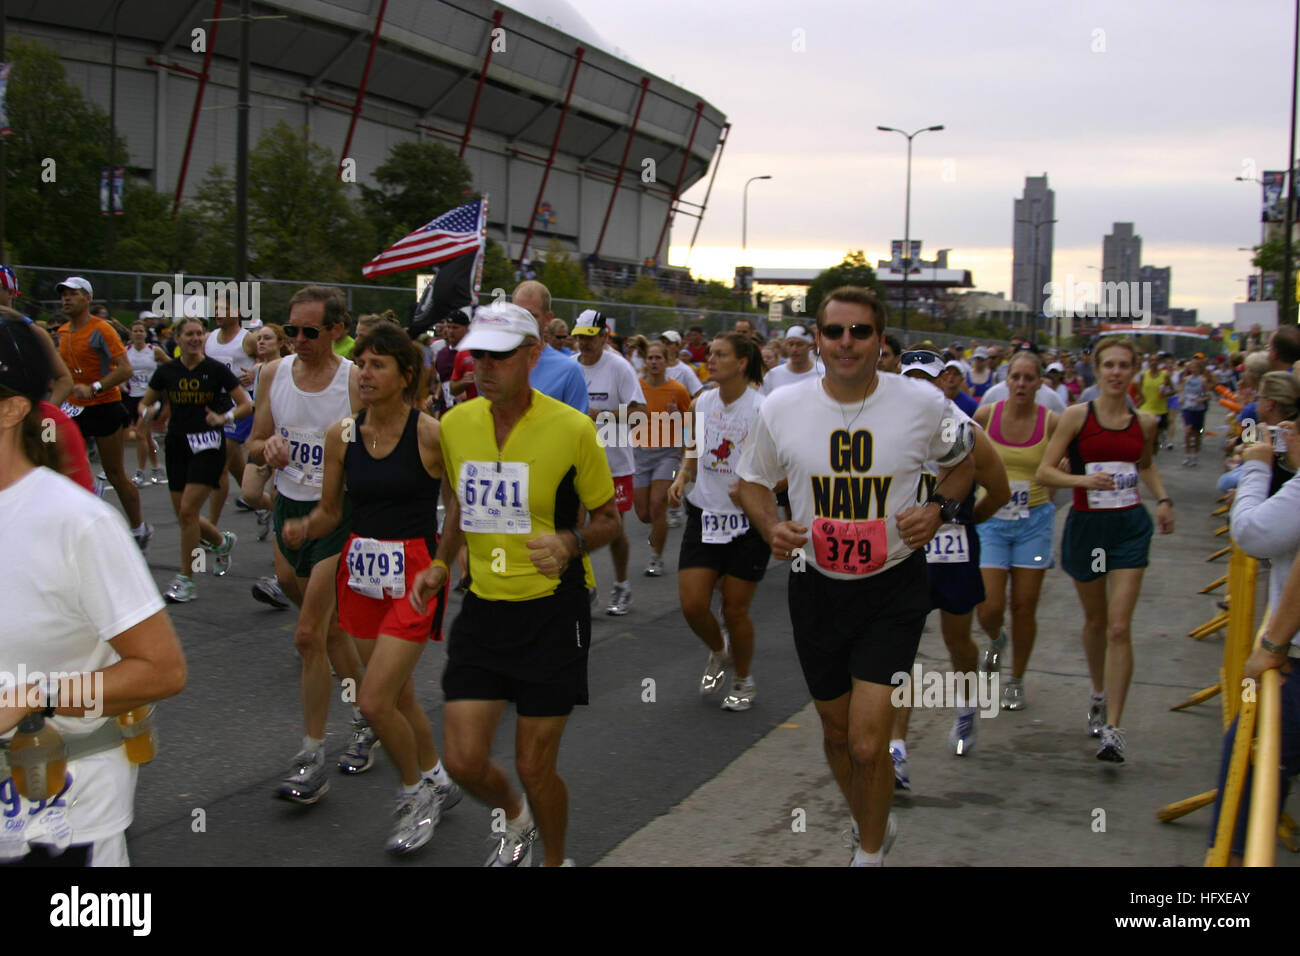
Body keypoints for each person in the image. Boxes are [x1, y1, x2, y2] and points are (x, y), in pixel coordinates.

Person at [737, 286, 975, 865]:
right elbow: (749, 482)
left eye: (860, 332)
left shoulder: (922, 405)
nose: (847, 342)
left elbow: (964, 464)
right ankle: (872, 823)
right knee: (837, 734)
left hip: (893, 585)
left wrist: (939, 509)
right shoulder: (781, 407)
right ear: (816, 339)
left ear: (880, 340)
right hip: (815, 585)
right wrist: (772, 525)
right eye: (835, 331)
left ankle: (867, 854)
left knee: (869, 742)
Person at [408, 302, 621, 867]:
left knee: (534, 764)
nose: (484, 366)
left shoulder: (572, 429)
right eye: (479, 354)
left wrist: (569, 543)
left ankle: (555, 861)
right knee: (463, 760)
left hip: (554, 611)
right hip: (483, 609)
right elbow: (460, 502)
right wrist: (438, 561)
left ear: (532, 356)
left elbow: (609, 518)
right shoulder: (456, 425)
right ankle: (516, 819)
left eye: (499, 356)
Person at [0, 317, 187, 866]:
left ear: (11, 410)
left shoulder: (76, 523)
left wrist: (35, 697)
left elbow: (160, 670)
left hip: (59, 815)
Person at [281, 323, 461, 853]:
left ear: (406, 376)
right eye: (360, 363)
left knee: (374, 698)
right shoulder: (342, 435)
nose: (364, 373)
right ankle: (438, 779)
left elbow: (456, 508)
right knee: (397, 696)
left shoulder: (430, 433)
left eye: (377, 364)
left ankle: (414, 796)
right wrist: (306, 527)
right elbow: (332, 511)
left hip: (413, 574)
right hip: (360, 572)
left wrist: (444, 564)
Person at [246, 285, 374, 801]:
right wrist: (267, 449)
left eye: (310, 332)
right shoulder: (273, 374)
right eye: (290, 330)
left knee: (306, 636)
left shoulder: (353, 382)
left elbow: (380, 446)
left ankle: (311, 757)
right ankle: (369, 714)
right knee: (331, 629)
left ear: (338, 331)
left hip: (337, 515)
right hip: (289, 508)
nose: (296, 340)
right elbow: (254, 442)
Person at [1036, 336, 1174, 763]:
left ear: (1135, 371)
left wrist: (1163, 499)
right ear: (1096, 371)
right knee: (1096, 622)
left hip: (1130, 528)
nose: (1116, 373)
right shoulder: (1077, 416)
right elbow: (1044, 472)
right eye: (1109, 365)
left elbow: (1145, 464)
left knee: (1118, 627)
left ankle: (1114, 727)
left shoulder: (1145, 423)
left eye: (1124, 366)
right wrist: (1082, 481)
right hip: (1087, 528)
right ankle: (1098, 692)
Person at [889, 350, 1009, 776]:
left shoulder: (968, 430)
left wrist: (964, 520)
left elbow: (999, 490)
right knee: (900, 647)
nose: (918, 386)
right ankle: (897, 748)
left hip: (954, 551)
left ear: (944, 384)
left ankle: (964, 705)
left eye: (928, 379)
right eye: (911, 378)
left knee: (957, 639)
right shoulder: (889, 425)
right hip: (905, 551)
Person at [668, 331, 769, 710]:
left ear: (742, 363)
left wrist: (755, 487)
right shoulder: (701, 403)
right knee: (693, 605)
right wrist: (682, 477)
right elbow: (692, 451)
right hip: (705, 514)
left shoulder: (763, 409)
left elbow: (785, 470)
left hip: (747, 522)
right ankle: (719, 648)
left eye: (720, 354)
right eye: (710, 353)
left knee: (734, 608)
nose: (710, 360)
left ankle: (744, 680)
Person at [137, 317, 252, 602]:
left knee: (188, 512)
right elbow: (144, 402)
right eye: (189, 334)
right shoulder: (166, 371)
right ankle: (221, 542)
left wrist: (223, 417)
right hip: (176, 444)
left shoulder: (215, 370)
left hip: (208, 444)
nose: (195, 338)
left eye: (200, 333)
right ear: (177, 338)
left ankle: (186, 579)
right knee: (183, 515)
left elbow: (246, 405)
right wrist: (146, 412)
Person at [973, 349, 1059, 711]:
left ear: (1039, 383)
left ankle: (1016, 679)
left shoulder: (1052, 421)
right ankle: (997, 637)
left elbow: (1057, 468)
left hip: (1032, 523)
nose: (1022, 384)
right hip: (991, 520)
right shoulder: (986, 416)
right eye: (1016, 377)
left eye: (1029, 378)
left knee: (1024, 605)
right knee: (989, 607)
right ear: (1005, 380)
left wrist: (1042, 502)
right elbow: (968, 463)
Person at [54, 277, 151, 550]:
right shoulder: (62, 332)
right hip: (74, 407)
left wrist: (95, 387)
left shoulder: (102, 330)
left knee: (115, 473)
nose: (66, 299)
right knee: (60, 462)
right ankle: (87, 490)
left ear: (87, 298)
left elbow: (124, 369)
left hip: (105, 405)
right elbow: (63, 375)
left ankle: (138, 528)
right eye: (63, 295)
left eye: (72, 294)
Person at [575, 309, 646, 615]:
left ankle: (622, 586)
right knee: (574, 527)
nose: (584, 343)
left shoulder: (619, 367)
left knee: (614, 529)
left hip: (614, 461)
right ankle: (584, 585)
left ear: (605, 336)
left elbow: (640, 413)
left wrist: (601, 416)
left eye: (591, 337)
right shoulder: (569, 367)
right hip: (577, 462)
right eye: (580, 337)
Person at [635, 340, 691, 576]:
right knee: (643, 513)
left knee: (658, 504)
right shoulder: (635, 387)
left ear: (667, 361)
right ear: (645, 361)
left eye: (659, 358)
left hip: (667, 454)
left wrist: (678, 419)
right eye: (650, 358)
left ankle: (655, 558)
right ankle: (657, 532)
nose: (654, 362)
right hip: (639, 453)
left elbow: (689, 425)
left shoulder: (677, 390)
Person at [204, 294, 259, 533]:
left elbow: (276, 354)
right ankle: (259, 503)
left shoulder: (246, 340)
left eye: (222, 308)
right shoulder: (208, 339)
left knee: (218, 462)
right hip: (217, 406)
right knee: (236, 467)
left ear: (236, 312)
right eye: (215, 308)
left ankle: (211, 529)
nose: (217, 312)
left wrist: (256, 371)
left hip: (242, 406)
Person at [511, 281, 589, 412]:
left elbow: (579, 430)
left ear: (548, 318)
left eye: (531, 316)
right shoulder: (494, 362)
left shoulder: (570, 371)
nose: (522, 321)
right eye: (517, 314)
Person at [123, 320, 168, 485]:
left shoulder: (153, 351)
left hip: (151, 398)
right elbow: (118, 370)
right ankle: (156, 467)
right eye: (135, 331)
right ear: (131, 334)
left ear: (146, 334)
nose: (138, 333)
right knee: (146, 437)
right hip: (133, 398)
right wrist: (121, 383)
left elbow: (171, 366)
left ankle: (140, 472)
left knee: (141, 434)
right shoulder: (125, 352)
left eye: (141, 331)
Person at [760, 324, 820, 395]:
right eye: (791, 344)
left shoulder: (821, 374)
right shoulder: (773, 375)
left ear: (810, 346)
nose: (794, 349)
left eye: (799, 344)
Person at [1178, 357, 1209, 466]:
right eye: (1192, 367)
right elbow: (1181, 389)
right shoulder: (1186, 379)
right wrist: (1181, 397)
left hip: (1198, 409)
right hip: (1187, 408)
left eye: (1196, 367)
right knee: (1187, 431)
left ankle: (1194, 456)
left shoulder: (1203, 380)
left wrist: (1201, 399)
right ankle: (1187, 455)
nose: (1194, 369)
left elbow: (1208, 396)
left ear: (1200, 369)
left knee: (1196, 434)